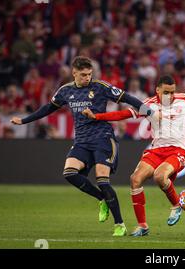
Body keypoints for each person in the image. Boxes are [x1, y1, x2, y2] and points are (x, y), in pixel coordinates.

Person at [83, 75, 185, 236]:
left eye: (172, 92)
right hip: (156, 150)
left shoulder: (184, 100)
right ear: (157, 90)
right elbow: (124, 114)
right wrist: (98, 117)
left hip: (178, 150)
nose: (171, 96)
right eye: (166, 92)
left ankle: (176, 205)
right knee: (135, 179)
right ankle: (142, 226)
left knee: (160, 176)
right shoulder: (148, 105)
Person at [11, 56, 154, 237]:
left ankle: (120, 224)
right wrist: (24, 120)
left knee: (102, 179)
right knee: (69, 173)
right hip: (81, 141)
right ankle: (101, 198)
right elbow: (47, 108)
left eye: (89, 74)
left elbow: (127, 97)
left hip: (103, 139)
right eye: (84, 75)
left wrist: (147, 111)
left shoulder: (100, 87)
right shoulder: (65, 91)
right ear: (74, 73)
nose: (87, 78)